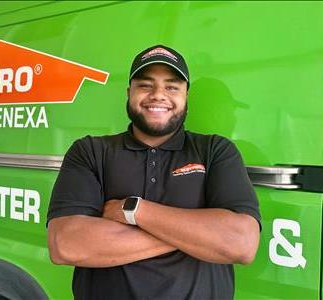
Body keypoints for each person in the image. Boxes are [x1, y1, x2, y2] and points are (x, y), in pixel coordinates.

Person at [47, 45, 261, 300]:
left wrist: (134, 210)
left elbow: (241, 244)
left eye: (172, 87)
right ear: (129, 93)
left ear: (186, 96)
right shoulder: (91, 151)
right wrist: (199, 236)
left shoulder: (215, 150)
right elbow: (65, 244)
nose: (158, 95)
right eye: (145, 85)